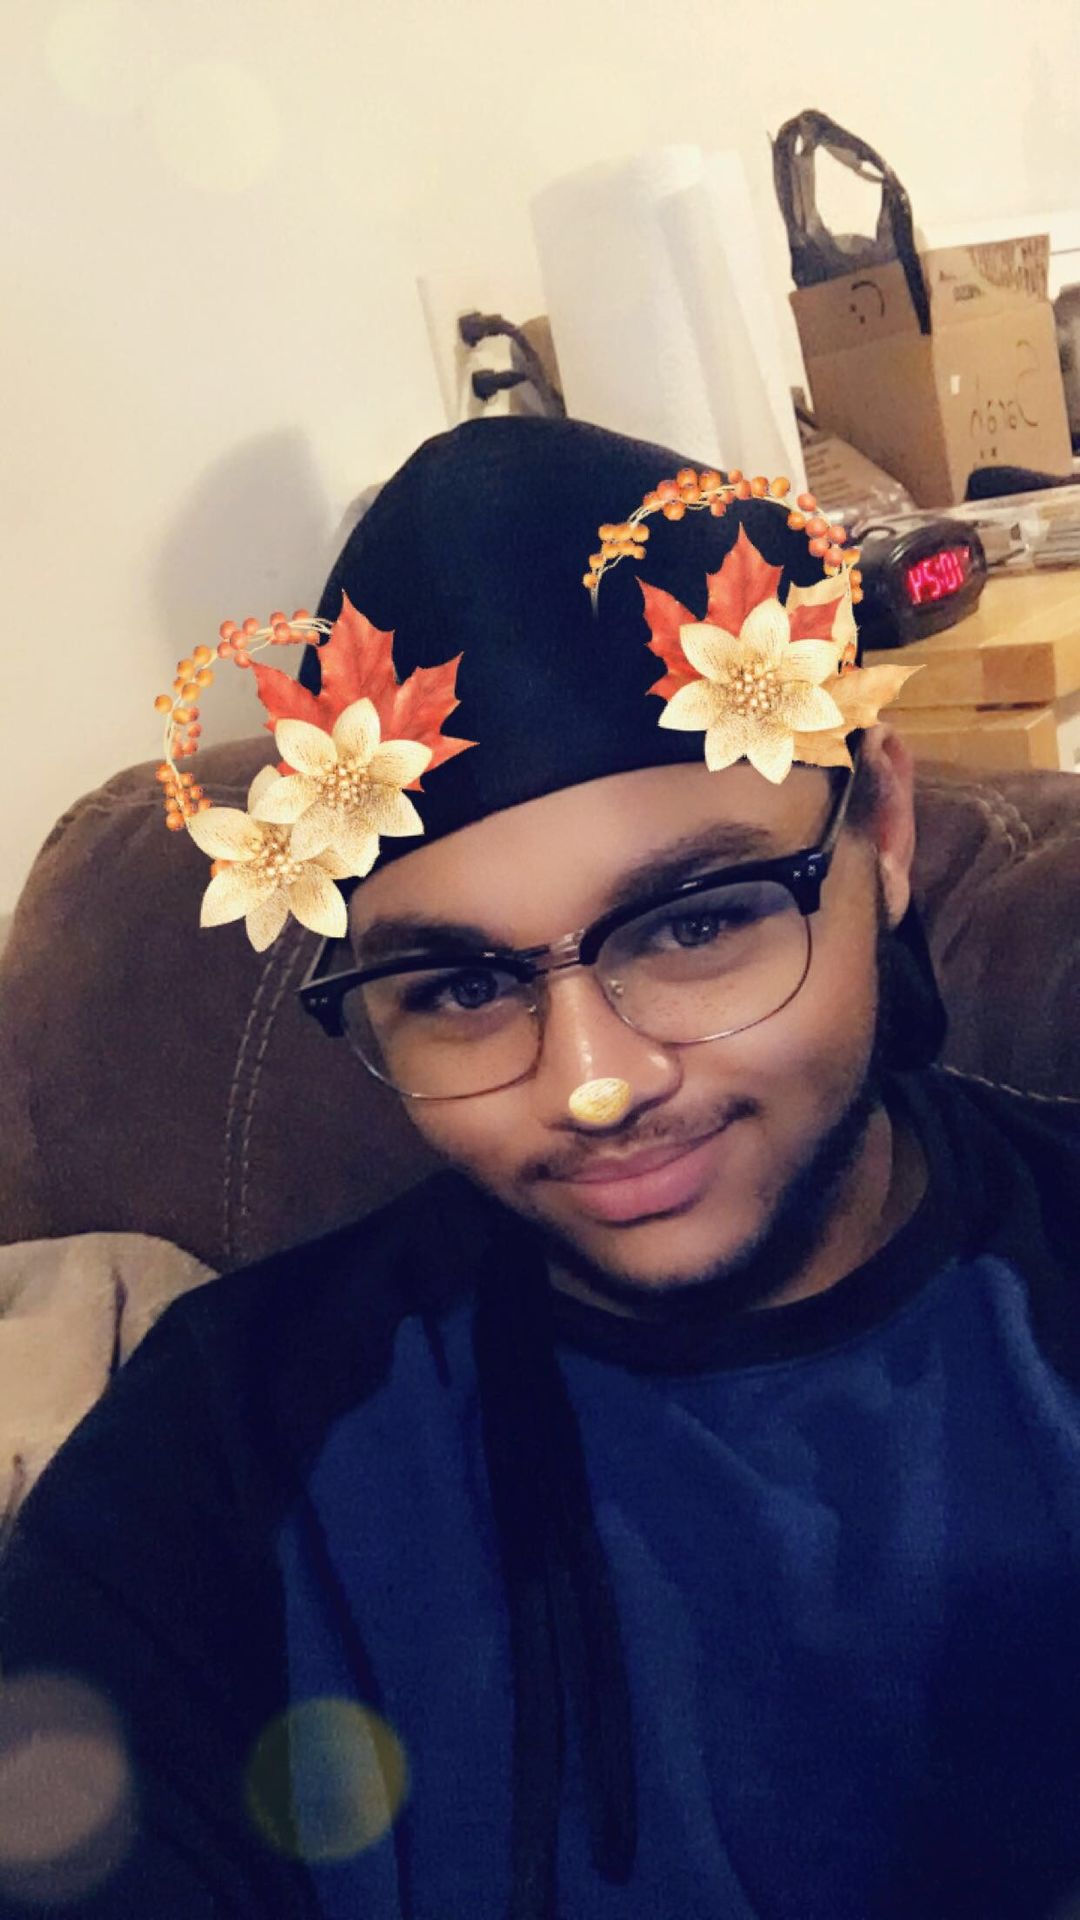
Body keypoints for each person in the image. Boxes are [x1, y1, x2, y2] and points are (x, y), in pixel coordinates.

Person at [1, 416, 1079, 1920]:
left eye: (696, 923)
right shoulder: (221, 1461)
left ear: (881, 829)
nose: (591, 1083)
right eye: (460, 986)